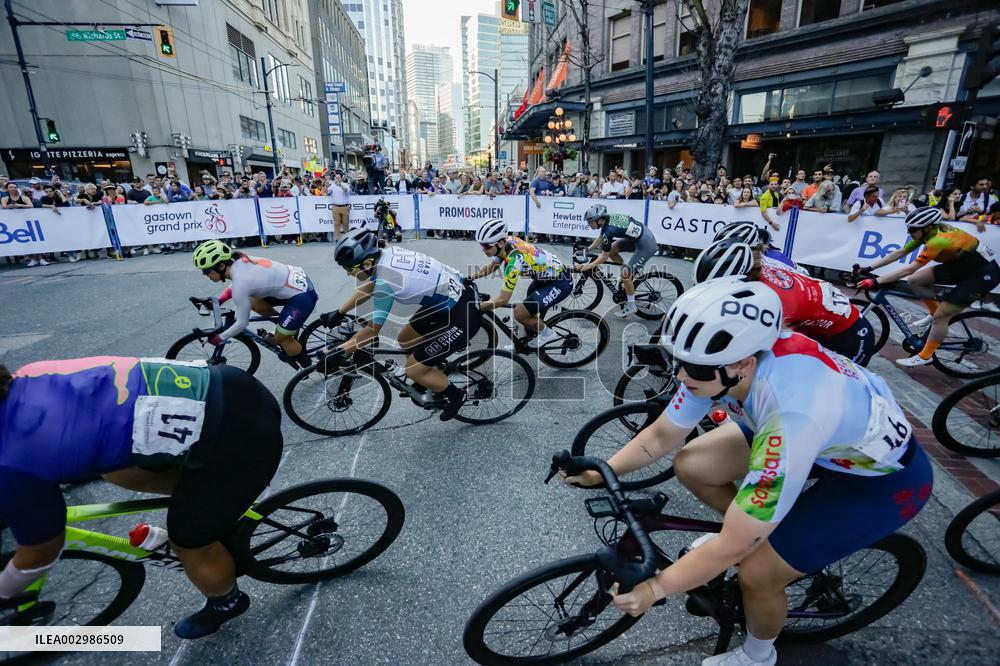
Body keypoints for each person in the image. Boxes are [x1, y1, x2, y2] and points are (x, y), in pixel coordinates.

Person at [564, 277, 932, 666]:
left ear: (744, 363)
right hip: (826, 443)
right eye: (679, 361)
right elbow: (662, 435)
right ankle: (759, 531)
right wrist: (603, 470)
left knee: (756, 571)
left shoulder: (791, 412)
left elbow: (732, 548)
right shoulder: (720, 365)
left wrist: (656, 589)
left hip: (879, 483)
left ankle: (758, 655)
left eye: (694, 368)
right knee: (693, 463)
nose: (682, 376)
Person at [0, 357, 283, 639]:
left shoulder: (12, 459)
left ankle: (227, 600)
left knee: (188, 540)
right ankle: (209, 506)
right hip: (228, 383)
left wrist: (4, 591)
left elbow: (41, 550)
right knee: (112, 470)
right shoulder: (28, 374)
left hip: (242, 433)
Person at [321, 229, 481, 421]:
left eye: (350, 269)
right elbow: (371, 285)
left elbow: (372, 331)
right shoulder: (385, 254)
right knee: (405, 339)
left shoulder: (386, 282)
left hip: (461, 313)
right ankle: (431, 371)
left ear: (367, 263)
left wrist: (341, 351)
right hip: (447, 302)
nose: (348, 274)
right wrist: (340, 312)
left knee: (413, 370)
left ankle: (457, 395)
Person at [694, 238, 876, 366]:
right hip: (823, 318)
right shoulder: (757, 271)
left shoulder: (774, 299)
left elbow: (756, 347)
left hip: (850, 337)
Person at [858, 207, 1000, 367]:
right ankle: (934, 313)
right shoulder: (929, 233)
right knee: (915, 280)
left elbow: (909, 268)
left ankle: (926, 355)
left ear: (927, 227)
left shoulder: (938, 240)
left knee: (942, 316)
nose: (908, 232)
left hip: (981, 275)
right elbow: (900, 252)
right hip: (962, 267)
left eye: (912, 229)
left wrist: (877, 281)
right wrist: (870, 268)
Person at [192, 240, 317, 369]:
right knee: (252, 301)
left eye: (206, 271)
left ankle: (306, 366)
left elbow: (242, 324)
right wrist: (218, 301)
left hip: (302, 297)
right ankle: (283, 324)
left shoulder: (241, 282)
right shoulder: (239, 262)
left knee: (282, 339)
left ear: (222, 266)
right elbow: (236, 284)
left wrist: (220, 338)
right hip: (292, 282)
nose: (204, 274)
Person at [469, 219, 571, 348]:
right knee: (527, 311)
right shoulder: (507, 242)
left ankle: (547, 333)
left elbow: (503, 299)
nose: (483, 250)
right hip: (544, 279)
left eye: (486, 246)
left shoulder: (513, 262)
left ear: (500, 243)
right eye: (482, 245)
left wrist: (476, 307)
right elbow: (493, 266)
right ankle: (525, 341)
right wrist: (469, 278)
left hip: (560, 282)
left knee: (520, 313)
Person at [575, 204, 658, 318]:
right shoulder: (606, 221)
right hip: (639, 237)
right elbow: (601, 239)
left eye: (590, 222)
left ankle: (631, 305)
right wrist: (587, 249)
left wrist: (589, 266)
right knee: (613, 249)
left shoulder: (609, 230)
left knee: (625, 274)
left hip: (646, 245)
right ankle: (627, 273)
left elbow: (604, 256)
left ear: (599, 220)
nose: (588, 224)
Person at [327, 170, 351, 241]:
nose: (337, 179)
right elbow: (326, 192)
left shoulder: (345, 184)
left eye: (338, 177)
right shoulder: (332, 186)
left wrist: (340, 185)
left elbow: (346, 190)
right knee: (336, 223)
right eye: (336, 177)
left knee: (345, 223)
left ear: (341, 178)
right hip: (335, 207)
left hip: (344, 207)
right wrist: (325, 185)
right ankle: (337, 239)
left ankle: (346, 238)